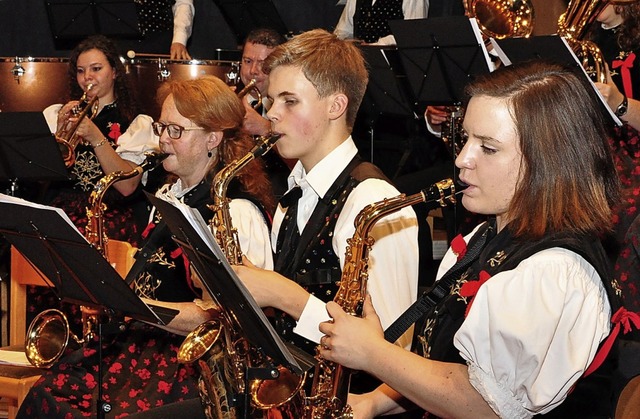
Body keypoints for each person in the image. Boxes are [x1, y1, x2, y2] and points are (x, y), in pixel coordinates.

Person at [317, 60, 622, 418]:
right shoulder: (490, 233)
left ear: (547, 162)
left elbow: (487, 405)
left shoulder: (554, 271)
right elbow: (449, 364)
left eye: (487, 148)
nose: (462, 159)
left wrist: (374, 354)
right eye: (465, 139)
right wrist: (372, 402)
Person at [17, 75, 276, 418]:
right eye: (161, 127)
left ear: (213, 138)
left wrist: (131, 306)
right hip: (138, 344)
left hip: (185, 361)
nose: (163, 140)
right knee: (46, 396)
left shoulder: (236, 213)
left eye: (176, 131)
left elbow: (227, 320)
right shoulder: (170, 195)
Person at [234, 29, 419, 360]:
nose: (272, 113)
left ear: (336, 105)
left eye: (290, 100)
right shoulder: (294, 190)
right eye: (272, 100)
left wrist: (282, 295)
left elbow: (394, 351)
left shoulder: (374, 203)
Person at [237, 27, 292, 199]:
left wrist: (264, 128)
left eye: (263, 63)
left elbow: (304, 159)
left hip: (278, 193)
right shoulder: (231, 99)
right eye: (247, 61)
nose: (253, 70)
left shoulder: (293, 107)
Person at [334, 0, 429, 45]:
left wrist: (376, 46)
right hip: (359, 70)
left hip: (394, 72)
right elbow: (343, 32)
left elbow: (413, 36)